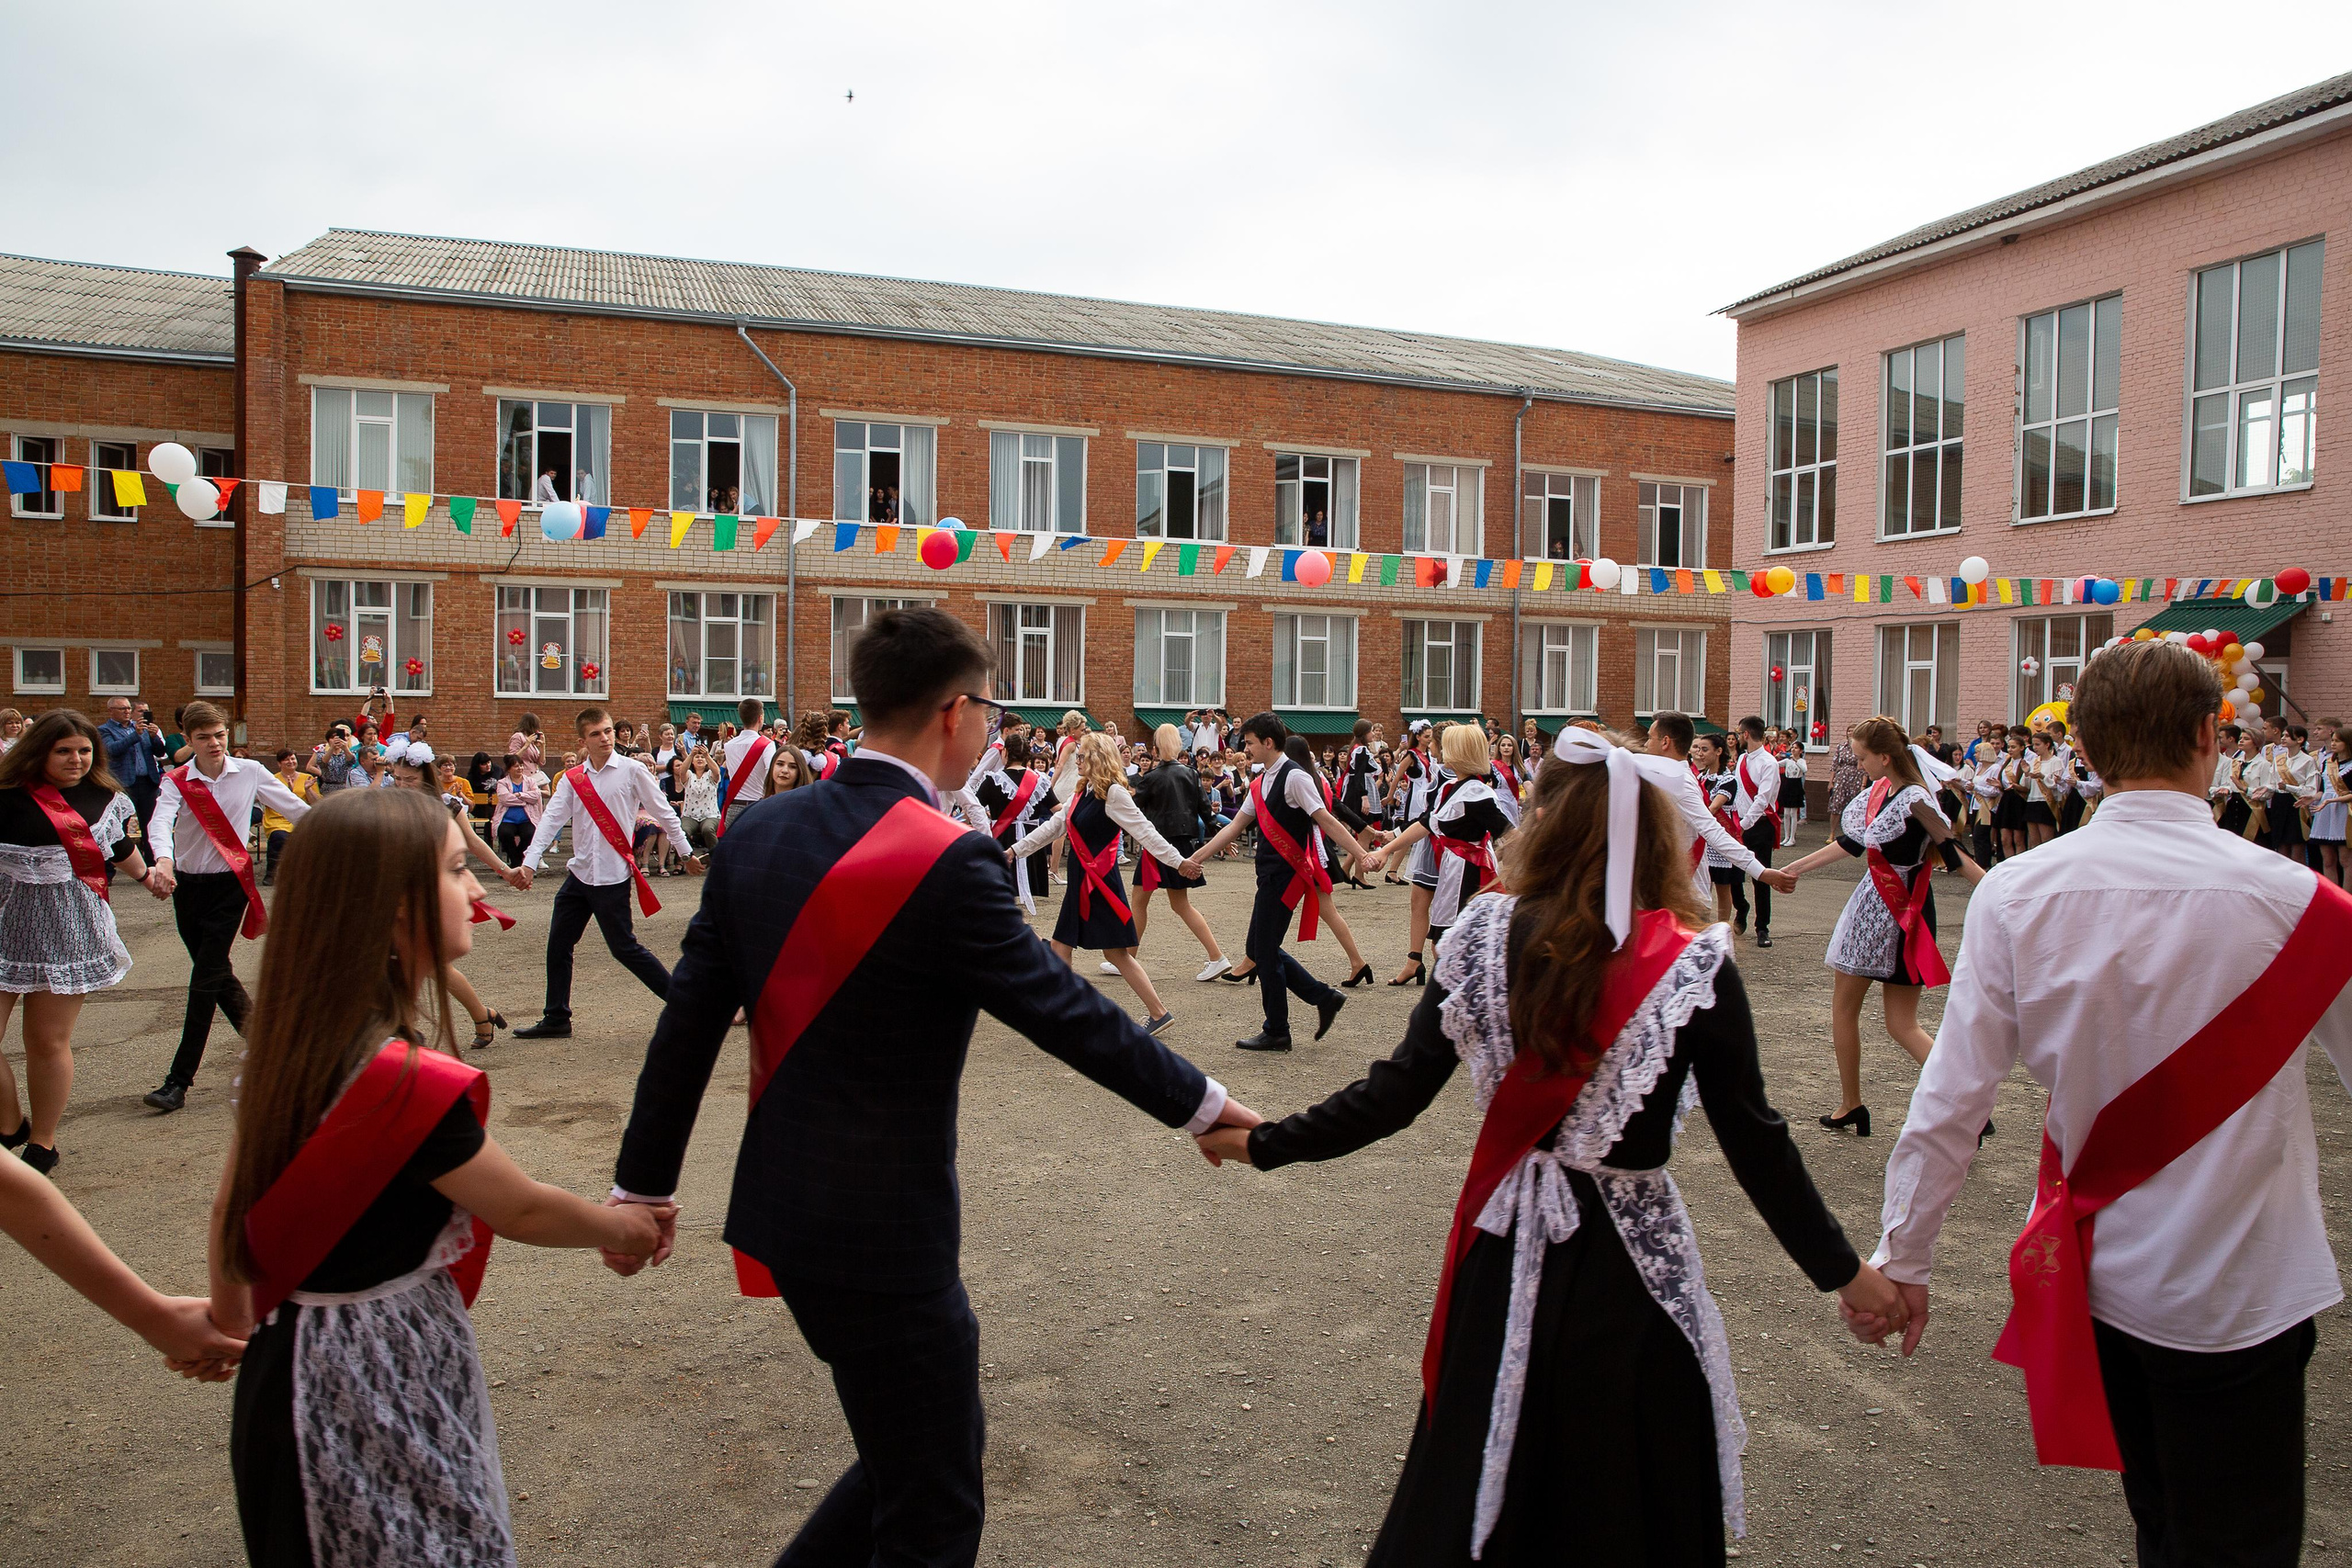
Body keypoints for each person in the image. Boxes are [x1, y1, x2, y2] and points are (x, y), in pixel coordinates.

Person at [605, 605, 1256, 1568]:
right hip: (888, 1241)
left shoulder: (758, 836)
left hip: (787, 1214)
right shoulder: (950, 860)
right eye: (990, 709)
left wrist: (645, 1185)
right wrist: (1207, 1107)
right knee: (935, 1502)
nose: (992, 728)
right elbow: (1061, 1011)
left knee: (904, 1459)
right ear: (955, 711)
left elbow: (688, 1026)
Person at [1201, 729, 1902, 1564]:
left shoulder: (1484, 935)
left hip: (1501, 1255)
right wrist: (1852, 1274)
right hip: (1629, 1270)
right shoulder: (1692, 966)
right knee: (1619, 1501)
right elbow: (1760, 1146)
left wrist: (1261, 1143)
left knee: (1480, 1469)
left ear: (1540, 823)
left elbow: (1391, 1096)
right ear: (1652, 837)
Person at [1851, 640, 2352, 1568]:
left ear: (2080, 748)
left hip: (2101, 1281)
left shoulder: (2014, 895)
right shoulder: (2305, 903)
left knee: (2159, 1522)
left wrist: (1903, 1256)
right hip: (2245, 1292)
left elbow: (1950, 1102)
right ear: (2211, 736)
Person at [209, 788, 668, 1568]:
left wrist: (229, 1325)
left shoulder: (297, 1042)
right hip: (368, 1379)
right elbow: (520, 1206)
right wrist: (626, 1225)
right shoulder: (398, 1082)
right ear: (393, 906)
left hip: (285, 1368)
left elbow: (232, 1213)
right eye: (459, 869)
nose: (479, 887)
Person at [1777, 717, 1984, 1136]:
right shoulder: (1878, 792)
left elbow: (1953, 852)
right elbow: (1853, 844)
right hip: (1883, 905)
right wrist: (1794, 867)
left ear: (1885, 757)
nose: (1859, 765)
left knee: (1859, 1014)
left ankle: (1860, 1103)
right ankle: (1959, 1106)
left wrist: (2000, 890)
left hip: (1895, 910)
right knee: (1896, 1023)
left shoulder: (1915, 799)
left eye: (1862, 758)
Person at [141, 702, 313, 1115]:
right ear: (189, 740)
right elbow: (159, 824)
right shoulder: (176, 781)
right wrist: (162, 859)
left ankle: (177, 1081)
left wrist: (341, 830)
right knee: (216, 976)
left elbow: (295, 809)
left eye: (219, 735)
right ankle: (273, 1050)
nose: (215, 743)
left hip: (229, 888)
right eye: (204, 738)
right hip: (188, 886)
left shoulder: (250, 772)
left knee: (204, 979)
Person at [0, 711, 153, 1174]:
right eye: (64, 751)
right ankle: (10, 1124)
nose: (76, 759)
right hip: (5, 923)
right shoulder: (6, 796)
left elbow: (117, 850)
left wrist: (150, 876)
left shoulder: (105, 798)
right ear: (40, 751)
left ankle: (42, 1141)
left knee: (45, 1041)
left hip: (69, 929)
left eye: (84, 750)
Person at [1179, 713, 1371, 1052]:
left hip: (1288, 876)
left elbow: (1325, 818)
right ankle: (1323, 997)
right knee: (1258, 949)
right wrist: (1197, 857)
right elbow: (1235, 827)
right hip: (1268, 874)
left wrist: (1362, 853)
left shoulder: (1295, 778)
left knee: (1263, 951)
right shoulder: (1261, 780)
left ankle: (1278, 1029)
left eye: (1250, 742)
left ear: (1269, 743)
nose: (1245, 748)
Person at [511, 708, 704, 1040]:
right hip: (580, 875)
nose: (605, 738)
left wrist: (685, 853)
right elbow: (551, 820)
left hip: (612, 877)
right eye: (597, 734)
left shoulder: (631, 771)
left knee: (625, 949)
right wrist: (529, 862)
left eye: (608, 731)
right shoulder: (574, 779)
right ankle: (557, 1017)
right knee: (558, 944)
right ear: (583, 740)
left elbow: (664, 812)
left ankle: (686, 1006)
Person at [1009, 730, 1183, 1031]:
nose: (1077, 760)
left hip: (1100, 884)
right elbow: (1052, 828)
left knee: (1115, 953)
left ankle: (1158, 1012)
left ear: (1097, 757)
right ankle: (1065, 1012)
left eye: (1082, 755)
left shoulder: (1113, 793)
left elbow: (1146, 833)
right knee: (1064, 947)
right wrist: (1014, 851)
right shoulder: (1081, 792)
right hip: (1081, 884)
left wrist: (1180, 863)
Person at [1377, 724, 1515, 953]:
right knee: (1443, 945)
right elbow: (1426, 823)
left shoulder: (1477, 793)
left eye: (1442, 745)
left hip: (1470, 873)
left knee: (1450, 946)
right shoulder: (1452, 787)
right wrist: (1385, 850)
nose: (1435, 748)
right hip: (1452, 872)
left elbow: (1510, 835)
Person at [1126, 723, 1230, 980]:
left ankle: (1127, 959)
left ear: (1156, 746)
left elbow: (1132, 811)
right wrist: (1222, 837)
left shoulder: (1150, 778)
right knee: (1180, 905)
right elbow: (1206, 812)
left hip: (1158, 846)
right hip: (1182, 845)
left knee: (1140, 901)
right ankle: (1216, 956)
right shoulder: (1192, 773)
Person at [1726, 717, 1782, 947]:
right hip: (1741, 823)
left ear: (1746, 734)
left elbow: (1763, 798)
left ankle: (1762, 927)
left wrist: (1745, 823)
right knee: (1733, 874)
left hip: (1759, 825)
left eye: (1740, 733)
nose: (1738, 737)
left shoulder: (1768, 762)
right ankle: (1741, 907)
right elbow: (1739, 791)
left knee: (1761, 876)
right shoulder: (1741, 759)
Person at [98, 694, 166, 842]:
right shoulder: (105, 730)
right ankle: (119, 861)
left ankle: (151, 861)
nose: (127, 711)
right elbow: (111, 750)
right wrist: (136, 735)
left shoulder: (142, 727)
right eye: (122, 708)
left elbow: (160, 753)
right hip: (124, 784)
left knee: (150, 825)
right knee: (120, 825)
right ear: (111, 711)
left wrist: (155, 737)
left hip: (148, 783)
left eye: (129, 708)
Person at [259, 749, 318, 887]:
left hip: (300, 818)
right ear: (279, 763)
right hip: (277, 819)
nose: (290, 762)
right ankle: (271, 873)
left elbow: (316, 804)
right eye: (286, 759)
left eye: (293, 759)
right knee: (280, 836)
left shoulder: (307, 778)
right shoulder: (272, 780)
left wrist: (308, 789)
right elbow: (269, 801)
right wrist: (289, 792)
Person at [720, 696, 776, 831]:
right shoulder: (767, 745)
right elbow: (773, 773)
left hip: (734, 806)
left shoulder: (728, 745)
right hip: (758, 806)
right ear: (760, 718)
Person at [2312, 730, 2351, 886]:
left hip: (2344, 812)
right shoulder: (2328, 762)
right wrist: (2313, 797)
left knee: (2345, 860)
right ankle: (2332, 896)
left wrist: (2331, 801)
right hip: (2326, 811)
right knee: (2328, 859)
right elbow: (2322, 788)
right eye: (2333, 740)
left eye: (2338, 741)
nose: (2333, 743)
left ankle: (2347, 899)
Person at [678, 749, 720, 859]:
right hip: (690, 815)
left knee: (708, 829)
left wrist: (707, 755)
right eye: (697, 757)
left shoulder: (711, 775)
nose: (700, 759)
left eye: (702, 757)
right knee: (683, 831)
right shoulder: (689, 775)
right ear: (692, 761)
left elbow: (717, 771)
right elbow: (682, 771)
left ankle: (717, 858)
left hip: (710, 814)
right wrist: (691, 754)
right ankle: (684, 860)